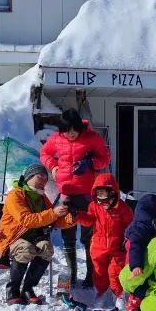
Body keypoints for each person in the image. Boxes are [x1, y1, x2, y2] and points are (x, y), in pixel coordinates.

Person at [40, 108, 111, 287]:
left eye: (73, 129)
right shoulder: (57, 138)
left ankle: (90, 276)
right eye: (66, 130)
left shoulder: (92, 138)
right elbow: (45, 153)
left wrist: (90, 163)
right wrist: (53, 166)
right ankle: (71, 275)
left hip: (87, 193)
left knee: (89, 237)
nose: (70, 134)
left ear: (79, 126)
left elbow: (105, 158)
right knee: (68, 235)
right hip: (66, 192)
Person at [0, 163, 75, 305]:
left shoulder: (42, 198)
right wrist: (53, 212)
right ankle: (12, 289)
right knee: (25, 249)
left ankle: (28, 288)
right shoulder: (16, 194)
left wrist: (71, 218)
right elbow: (26, 220)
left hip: (34, 237)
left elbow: (54, 221)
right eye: (40, 176)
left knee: (46, 248)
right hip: (12, 239)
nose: (43, 180)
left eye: (45, 178)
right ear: (28, 177)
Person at [75, 173, 134, 311]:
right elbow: (88, 220)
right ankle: (101, 293)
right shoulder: (94, 206)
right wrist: (77, 215)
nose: (103, 203)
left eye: (106, 198)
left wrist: (126, 239)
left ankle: (119, 296)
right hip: (98, 246)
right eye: (99, 197)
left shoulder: (123, 208)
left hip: (117, 246)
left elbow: (130, 225)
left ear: (113, 193)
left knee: (114, 273)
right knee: (99, 272)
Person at [123, 194, 156, 311]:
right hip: (135, 267)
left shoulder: (145, 225)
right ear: (154, 218)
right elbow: (136, 245)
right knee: (138, 291)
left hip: (140, 266)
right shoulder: (140, 228)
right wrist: (136, 265)